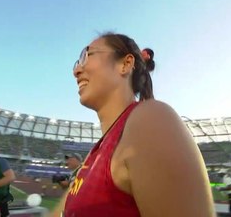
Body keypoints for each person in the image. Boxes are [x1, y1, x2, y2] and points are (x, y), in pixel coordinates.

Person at [50, 32, 215, 217]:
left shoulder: (151, 119)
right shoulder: (94, 154)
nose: (76, 70)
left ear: (125, 64)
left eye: (87, 55)